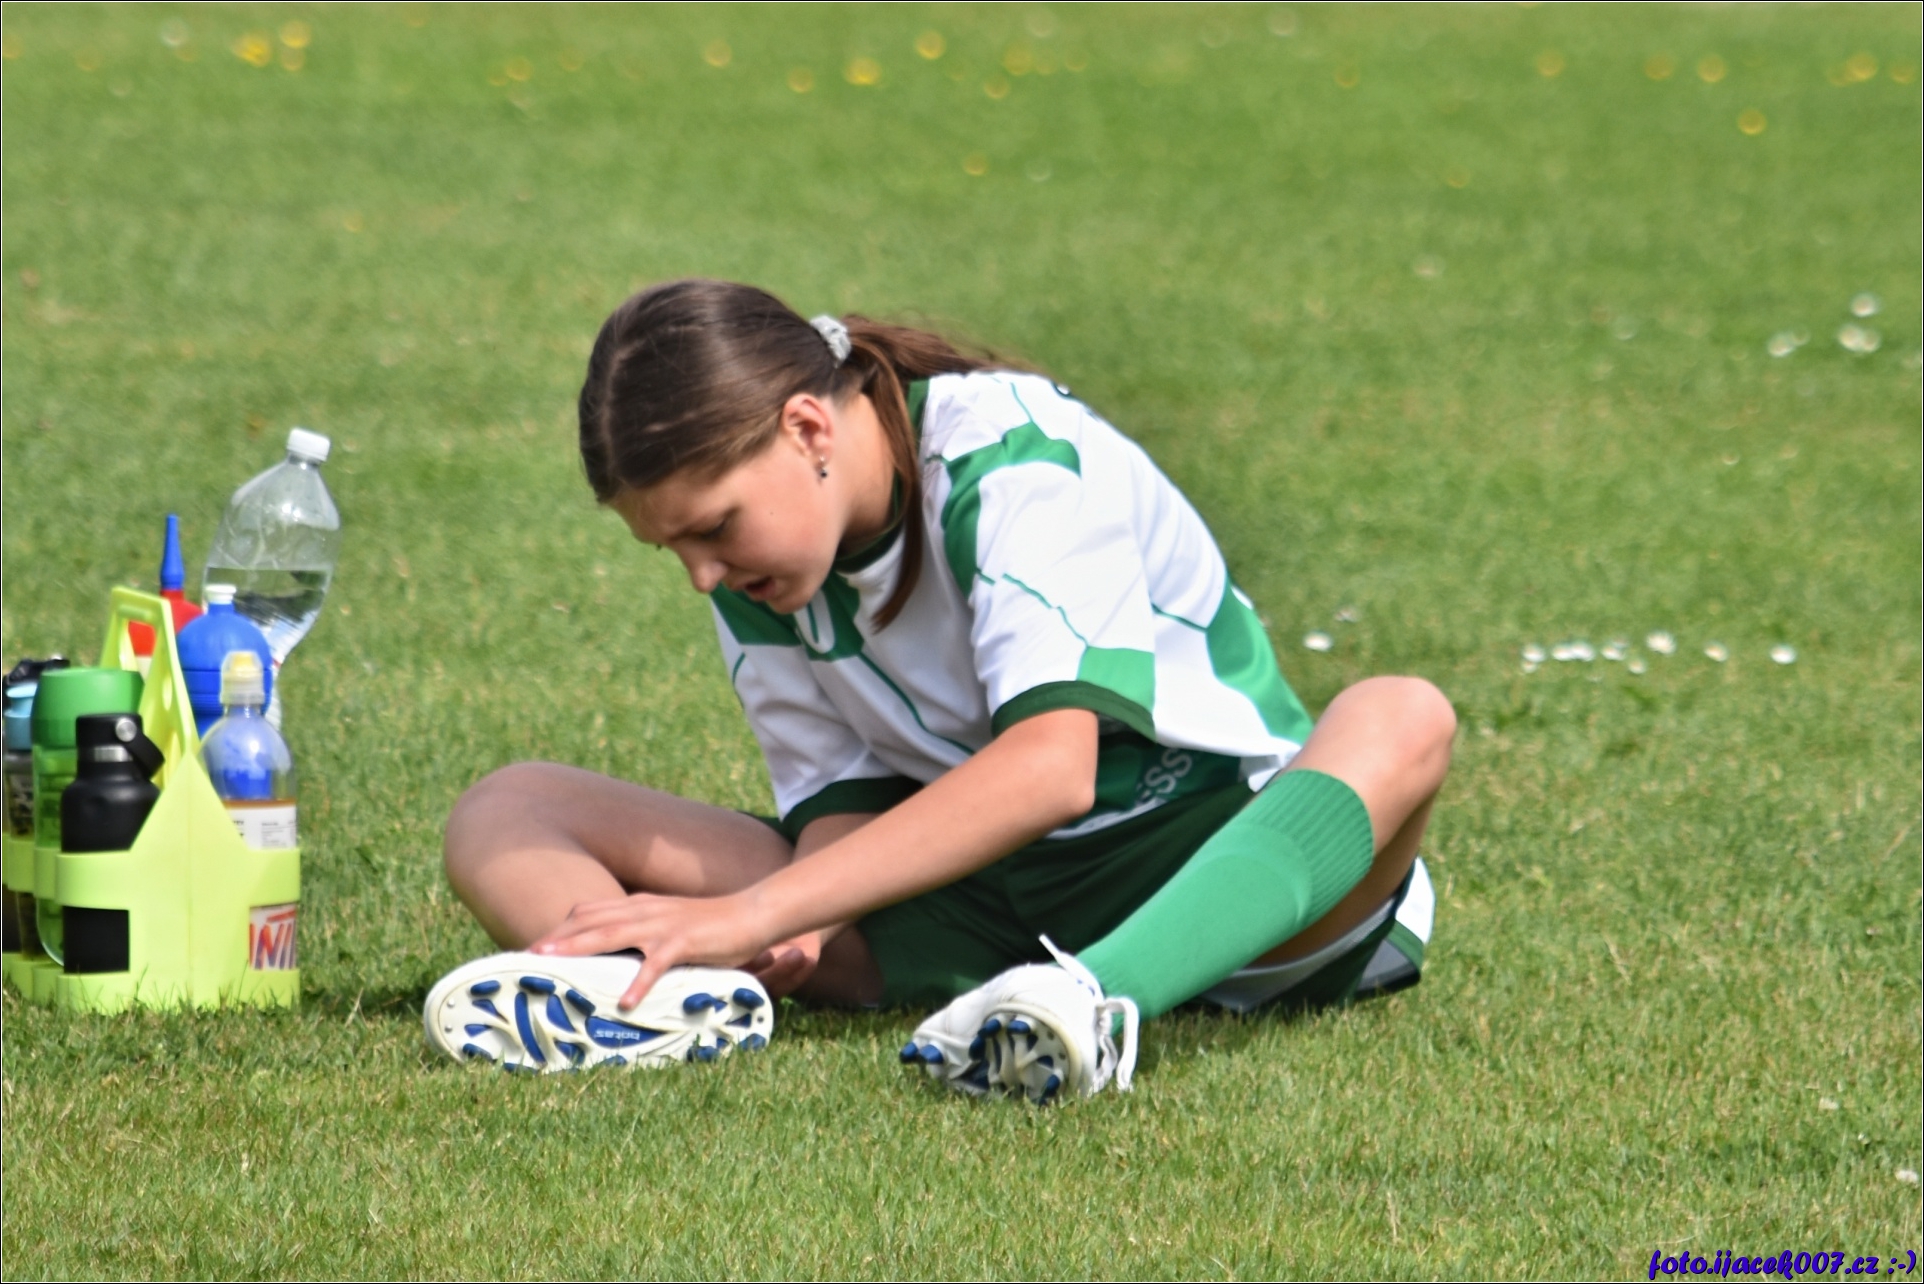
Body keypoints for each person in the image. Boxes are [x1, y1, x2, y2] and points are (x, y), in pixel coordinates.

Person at [423, 278, 1454, 1102]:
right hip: (975, 907)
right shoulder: (767, 565)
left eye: (715, 527)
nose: (700, 574)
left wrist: (752, 911)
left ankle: (1094, 1003)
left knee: (1403, 713)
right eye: (673, 548)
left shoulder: (1014, 459)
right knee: (512, 807)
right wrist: (797, 927)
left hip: (1215, 877)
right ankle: (641, 1003)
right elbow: (845, 800)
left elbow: (1054, 770)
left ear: (807, 429)